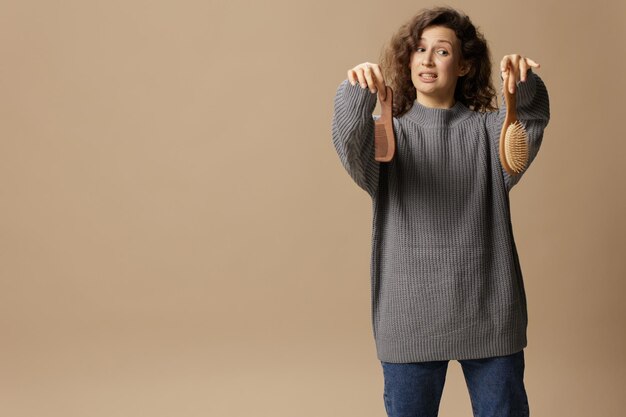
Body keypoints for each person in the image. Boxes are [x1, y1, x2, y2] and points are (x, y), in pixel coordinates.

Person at [330, 6, 550, 417]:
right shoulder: (387, 134)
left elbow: (531, 122)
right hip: (408, 318)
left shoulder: (489, 133)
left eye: (442, 51)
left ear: (464, 64)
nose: (427, 60)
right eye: (419, 49)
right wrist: (356, 91)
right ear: (407, 59)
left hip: (490, 315)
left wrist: (522, 82)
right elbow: (350, 146)